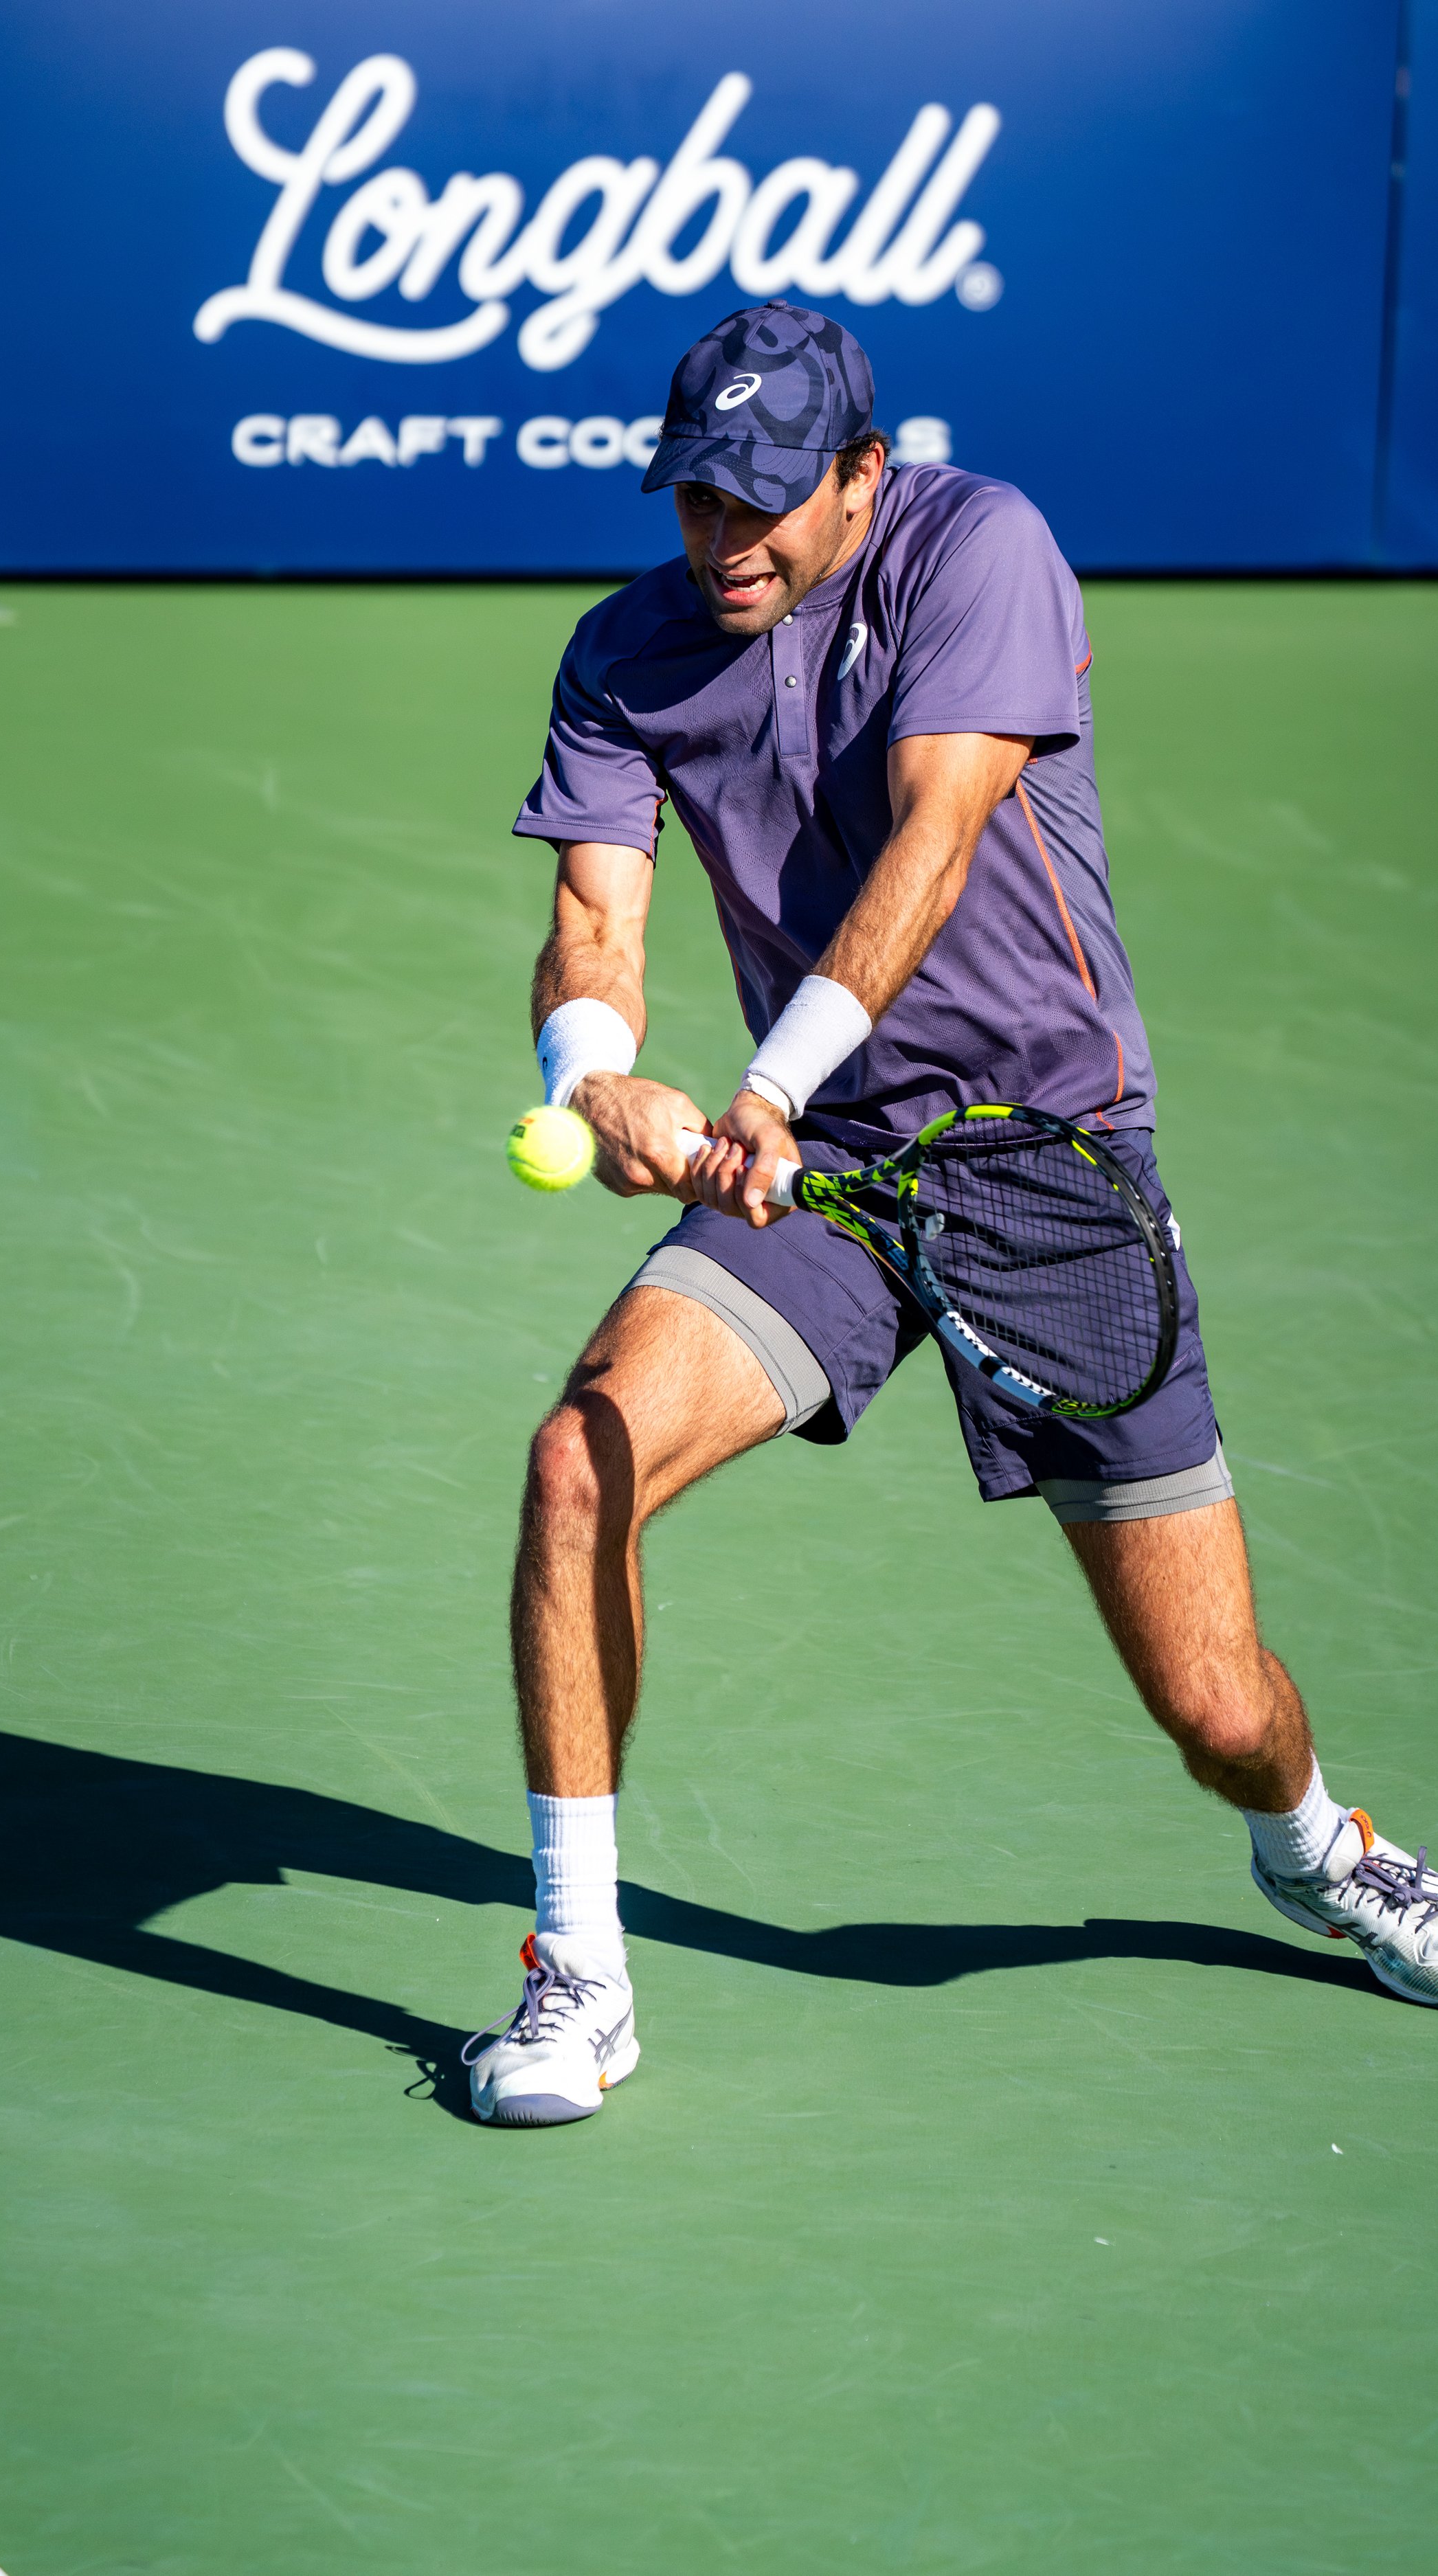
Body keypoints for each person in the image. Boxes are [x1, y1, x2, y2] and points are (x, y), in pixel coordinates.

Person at [462, 301, 1437, 2128]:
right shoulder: (624, 654)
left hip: (1044, 1163)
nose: (722, 540)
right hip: (830, 1174)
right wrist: (595, 1081)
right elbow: (594, 922)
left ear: (860, 474)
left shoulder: (978, 546)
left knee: (1220, 1712)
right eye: (694, 499)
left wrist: (763, 1084)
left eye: (762, 502)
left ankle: (1319, 1851)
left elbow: (939, 833)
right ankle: (577, 1973)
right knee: (581, 1461)